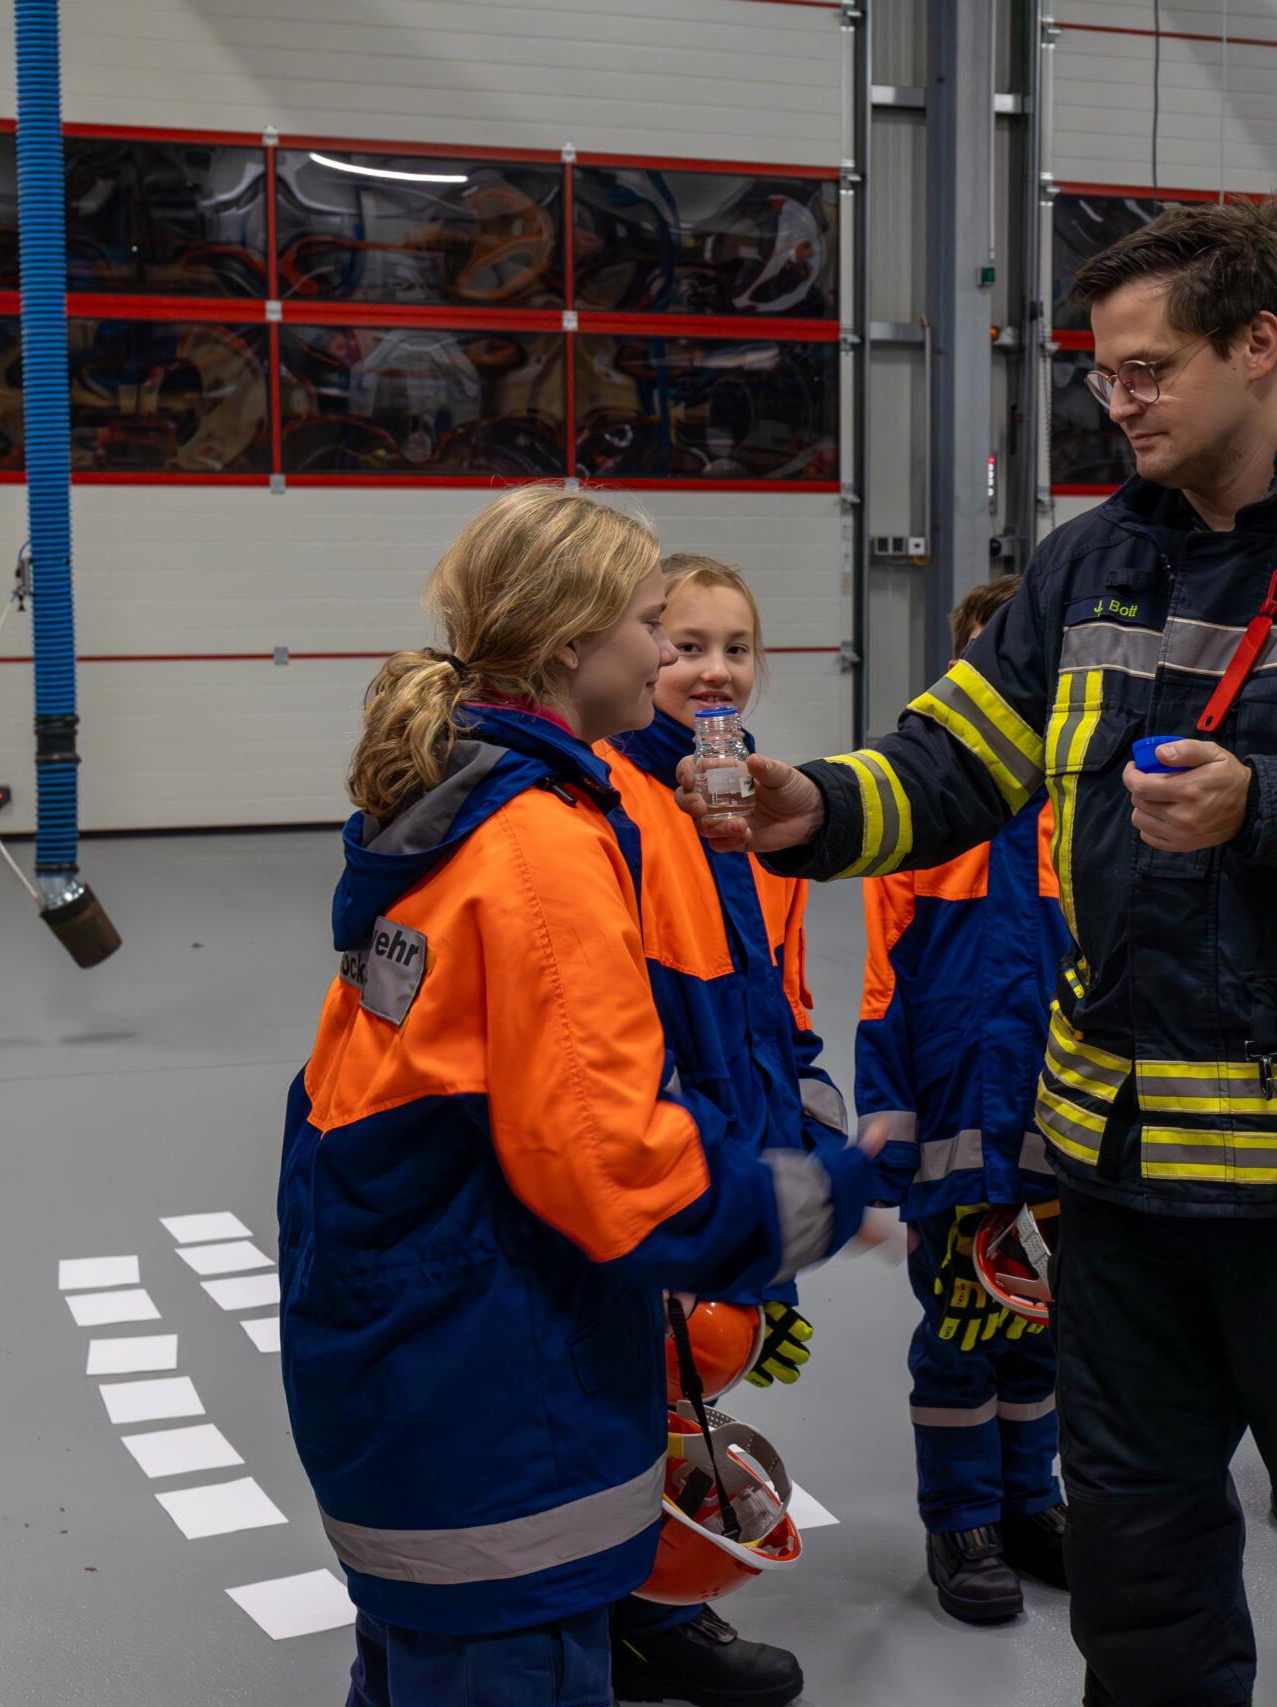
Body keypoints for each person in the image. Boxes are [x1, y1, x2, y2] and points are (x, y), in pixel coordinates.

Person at [674, 199, 1277, 1707]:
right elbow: (955, 757)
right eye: (1105, 374)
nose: (1121, 401)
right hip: (1117, 1185)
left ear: (1259, 344)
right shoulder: (1088, 561)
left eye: (1148, 368)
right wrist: (811, 804)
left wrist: (1268, 802)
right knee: (1140, 1580)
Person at [278, 487, 880, 1707]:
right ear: (569, 643)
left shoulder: (459, 800)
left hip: (411, 1352)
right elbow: (614, 1168)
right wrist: (821, 1194)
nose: (668, 654)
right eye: (653, 624)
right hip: (500, 1387)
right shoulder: (538, 848)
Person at [598, 552, 845, 1707]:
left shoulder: (749, 800)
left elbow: (770, 997)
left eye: (735, 649)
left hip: (737, 1151)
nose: (711, 669)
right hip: (665, 1161)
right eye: (685, 644)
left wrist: (805, 1117)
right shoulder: (618, 796)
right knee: (639, 1393)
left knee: (690, 1383)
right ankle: (639, 1619)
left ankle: (648, 1606)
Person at [854, 573, 1070, 1626]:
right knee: (958, 1333)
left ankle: (1032, 1502)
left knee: (1043, 1325)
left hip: (1059, 1136)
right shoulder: (925, 818)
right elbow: (881, 988)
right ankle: (963, 1521)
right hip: (952, 1130)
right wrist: (889, 1138)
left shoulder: (1085, 809)